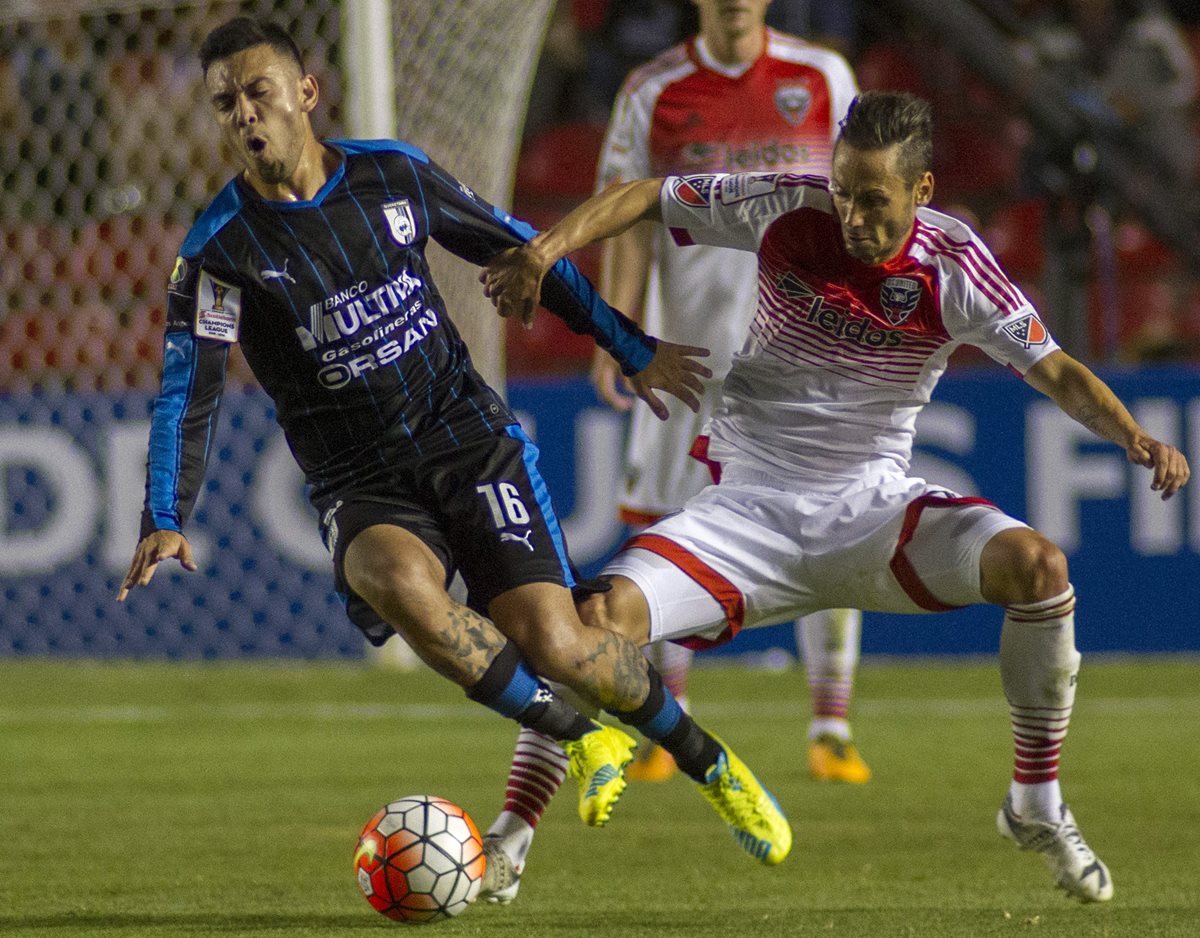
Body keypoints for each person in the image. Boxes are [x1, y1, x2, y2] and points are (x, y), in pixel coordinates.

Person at [114, 15, 793, 890]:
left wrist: (629, 345)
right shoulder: (219, 253)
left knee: (562, 645)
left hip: (468, 440)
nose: (246, 114)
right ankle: (581, 740)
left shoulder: (391, 175)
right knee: (395, 582)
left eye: (259, 92)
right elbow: (186, 393)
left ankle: (712, 766)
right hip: (359, 480)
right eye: (225, 103)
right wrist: (164, 515)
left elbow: (519, 246)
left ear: (305, 93)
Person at [482, 90, 1191, 903]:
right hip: (745, 516)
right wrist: (542, 251)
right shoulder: (790, 205)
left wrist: (1133, 436)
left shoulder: (956, 268)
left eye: (874, 200)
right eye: (845, 190)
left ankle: (1035, 800)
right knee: (589, 627)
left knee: (1039, 567)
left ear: (921, 193)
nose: (851, 214)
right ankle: (511, 838)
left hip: (873, 516)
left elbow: (1055, 368)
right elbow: (647, 195)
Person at [587, 0, 868, 788]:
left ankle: (831, 725)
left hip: (805, 355)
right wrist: (619, 332)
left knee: (834, 526)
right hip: (689, 357)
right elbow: (631, 216)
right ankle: (660, 730)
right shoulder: (653, 89)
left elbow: (864, 202)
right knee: (668, 530)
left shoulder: (821, 76)